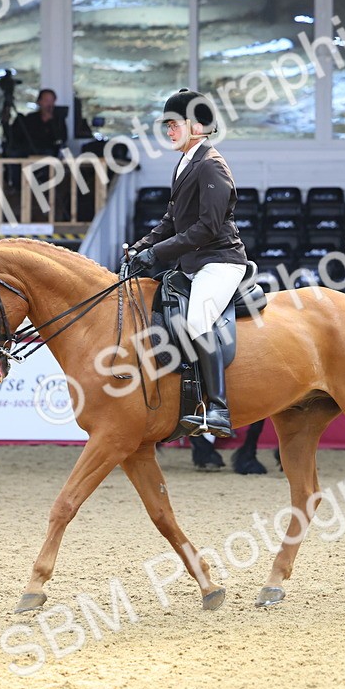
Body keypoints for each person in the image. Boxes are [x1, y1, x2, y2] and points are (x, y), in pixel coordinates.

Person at [128, 88, 248, 439]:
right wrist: (141, 248)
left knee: (197, 319)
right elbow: (171, 220)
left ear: (197, 126)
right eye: (166, 125)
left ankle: (219, 408)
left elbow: (207, 227)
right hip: (194, 263)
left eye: (173, 124)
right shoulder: (185, 162)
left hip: (219, 261)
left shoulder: (211, 164)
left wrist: (159, 253)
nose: (168, 131)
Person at [9, 89, 68, 157]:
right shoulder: (30, 118)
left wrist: (51, 121)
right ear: (39, 102)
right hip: (29, 152)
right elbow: (18, 137)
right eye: (46, 101)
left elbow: (62, 138)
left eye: (52, 101)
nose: (49, 104)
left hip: (49, 152)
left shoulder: (58, 120)